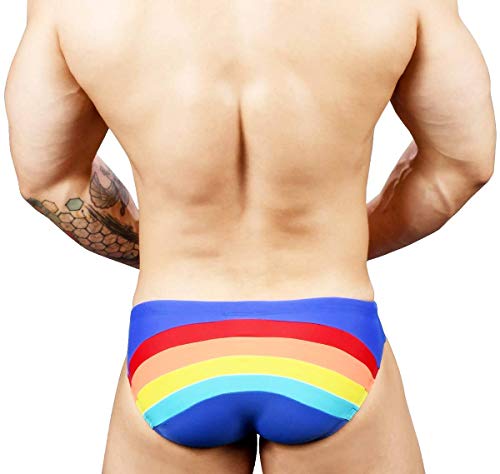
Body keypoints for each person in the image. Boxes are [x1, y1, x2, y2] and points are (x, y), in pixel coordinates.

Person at [5, 1, 495, 473]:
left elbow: (47, 181)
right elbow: (462, 164)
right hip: (329, 340)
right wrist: (340, 242)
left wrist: (162, 247)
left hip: (175, 345)